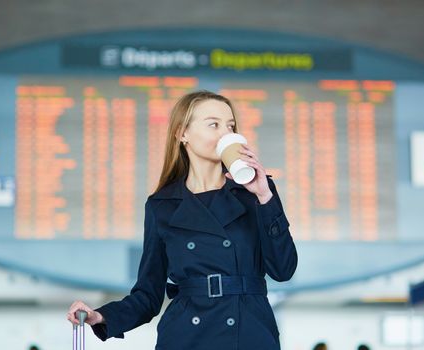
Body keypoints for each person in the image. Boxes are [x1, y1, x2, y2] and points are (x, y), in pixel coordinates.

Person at [67, 90, 298, 349]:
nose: (226, 133)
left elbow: (283, 269)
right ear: (182, 134)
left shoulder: (255, 192)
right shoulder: (162, 206)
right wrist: (102, 316)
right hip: (187, 335)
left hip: (249, 332)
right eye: (214, 124)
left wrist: (264, 196)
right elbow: (148, 294)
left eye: (231, 126)